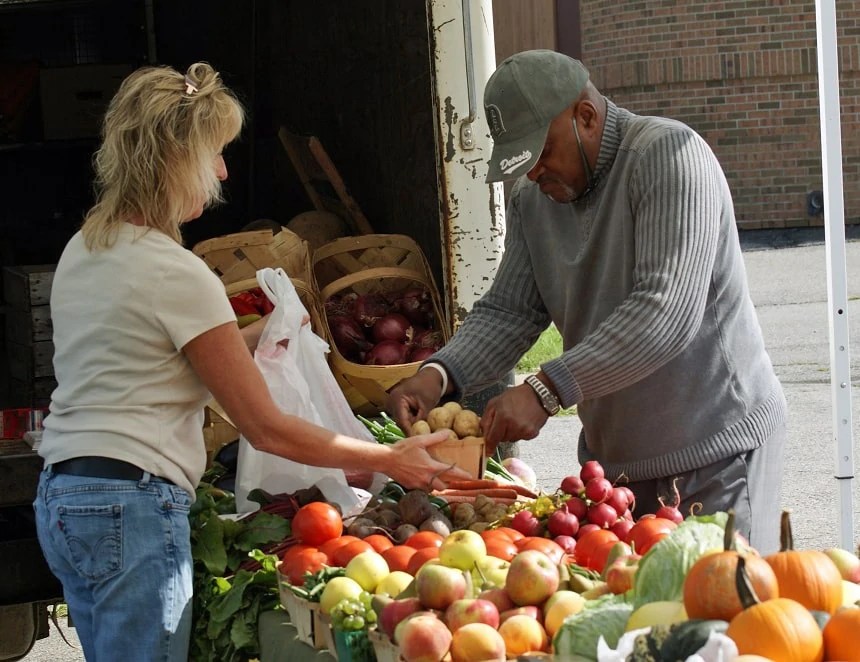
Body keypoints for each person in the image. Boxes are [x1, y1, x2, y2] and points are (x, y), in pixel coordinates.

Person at [33, 62, 468, 662]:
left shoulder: (86, 247)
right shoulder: (176, 272)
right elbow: (267, 428)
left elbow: (151, 362)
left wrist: (268, 329)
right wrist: (388, 457)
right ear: (174, 161)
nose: (222, 172)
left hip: (65, 496)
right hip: (131, 505)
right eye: (214, 154)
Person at [387, 50, 787, 554]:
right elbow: (509, 310)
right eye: (522, 160)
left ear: (587, 116)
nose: (533, 173)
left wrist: (544, 389)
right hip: (615, 469)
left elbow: (665, 312)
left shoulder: (671, 156)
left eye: (542, 153)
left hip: (717, 454)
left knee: (721, 623)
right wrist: (438, 376)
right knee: (637, 625)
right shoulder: (534, 200)